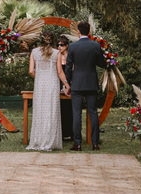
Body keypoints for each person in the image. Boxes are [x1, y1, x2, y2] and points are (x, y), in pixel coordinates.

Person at [65, 21, 105, 151]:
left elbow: (69, 67)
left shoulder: (73, 47)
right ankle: (95, 143)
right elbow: (102, 63)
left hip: (77, 83)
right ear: (89, 32)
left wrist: (68, 83)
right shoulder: (95, 45)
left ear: (78, 31)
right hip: (91, 83)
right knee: (93, 113)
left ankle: (77, 143)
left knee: (76, 114)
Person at [26, 33, 66, 151]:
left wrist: (39, 77)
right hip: (52, 85)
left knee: (40, 111)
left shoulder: (34, 52)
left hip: (40, 85)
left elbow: (31, 71)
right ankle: (50, 140)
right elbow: (59, 72)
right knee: (51, 111)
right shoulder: (56, 53)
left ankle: (38, 140)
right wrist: (67, 84)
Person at [57, 36, 73, 141]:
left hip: (70, 83)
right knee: (60, 108)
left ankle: (71, 133)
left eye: (61, 45)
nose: (59, 47)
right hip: (58, 83)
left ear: (66, 46)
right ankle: (61, 134)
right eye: (58, 45)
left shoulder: (71, 57)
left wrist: (69, 85)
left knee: (70, 108)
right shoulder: (56, 56)